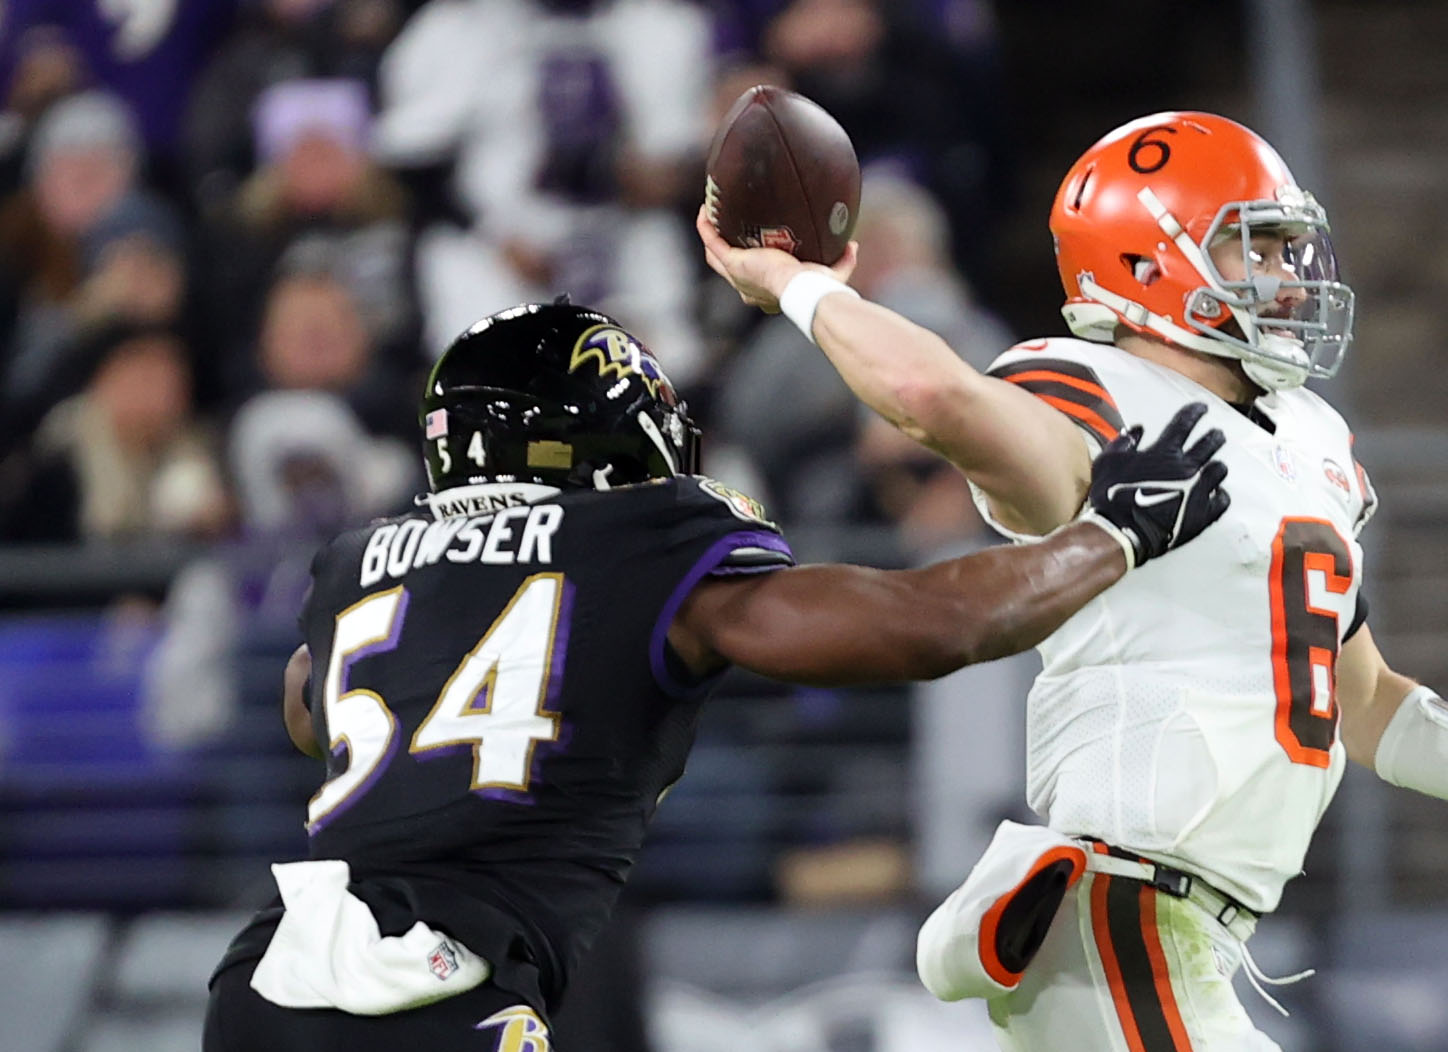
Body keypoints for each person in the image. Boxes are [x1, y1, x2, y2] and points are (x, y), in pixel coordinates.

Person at [698, 111, 1448, 1050]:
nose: (1289, 272)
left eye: (1290, 244)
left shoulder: (1310, 437)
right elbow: (929, 393)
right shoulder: (1089, 390)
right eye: (1257, 244)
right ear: (1147, 252)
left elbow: (1361, 696)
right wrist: (801, 286)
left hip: (1188, 934)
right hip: (1115, 908)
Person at [201, 299, 1232, 1051]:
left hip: (268, 977)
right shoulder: (640, 539)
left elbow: (309, 707)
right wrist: (1116, 536)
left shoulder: (361, 558)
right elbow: (934, 625)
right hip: (441, 984)